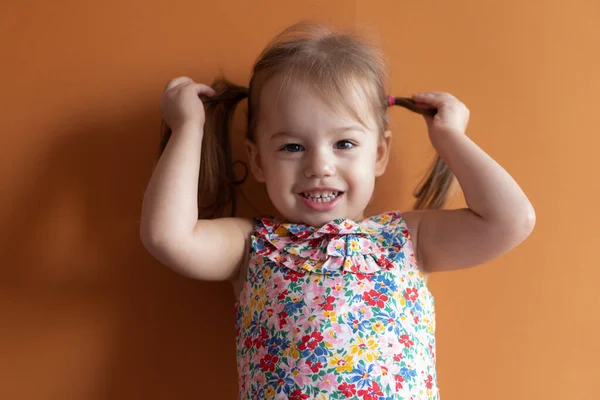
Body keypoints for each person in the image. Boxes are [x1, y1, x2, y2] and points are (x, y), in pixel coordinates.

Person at [140, 21, 535, 399]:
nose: (319, 166)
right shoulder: (252, 246)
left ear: (379, 154)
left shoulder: (407, 240)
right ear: (258, 161)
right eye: (292, 147)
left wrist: (450, 137)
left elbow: (511, 220)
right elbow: (167, 236)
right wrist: (189, 126)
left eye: (344, 144)